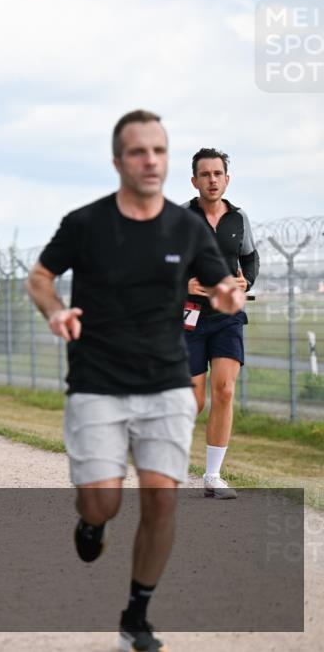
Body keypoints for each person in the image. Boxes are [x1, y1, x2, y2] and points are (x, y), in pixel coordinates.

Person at [25, 109, 245, 652]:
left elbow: (223, 284)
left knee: (162, 500)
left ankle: (137, 616)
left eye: (159, 151)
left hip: (167, 382)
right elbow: (40, 277)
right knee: (103, 502)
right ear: (119, 161)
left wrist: (227, 295)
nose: (150, 160)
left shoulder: (187, 226)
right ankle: (92, 524)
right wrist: (54, 310)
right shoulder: (86, 223)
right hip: (98, 380)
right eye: (138, 151)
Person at [183, 148, 260, 500]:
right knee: (194, 401)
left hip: (228, 314)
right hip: (188, 317)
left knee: (225, 390)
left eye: (218, 174)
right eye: (205, 174)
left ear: (226, 179)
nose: (212, 180)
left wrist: (248, 282)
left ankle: (212, 476)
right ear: (194, 180)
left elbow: (249, 257)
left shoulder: (239, 219)